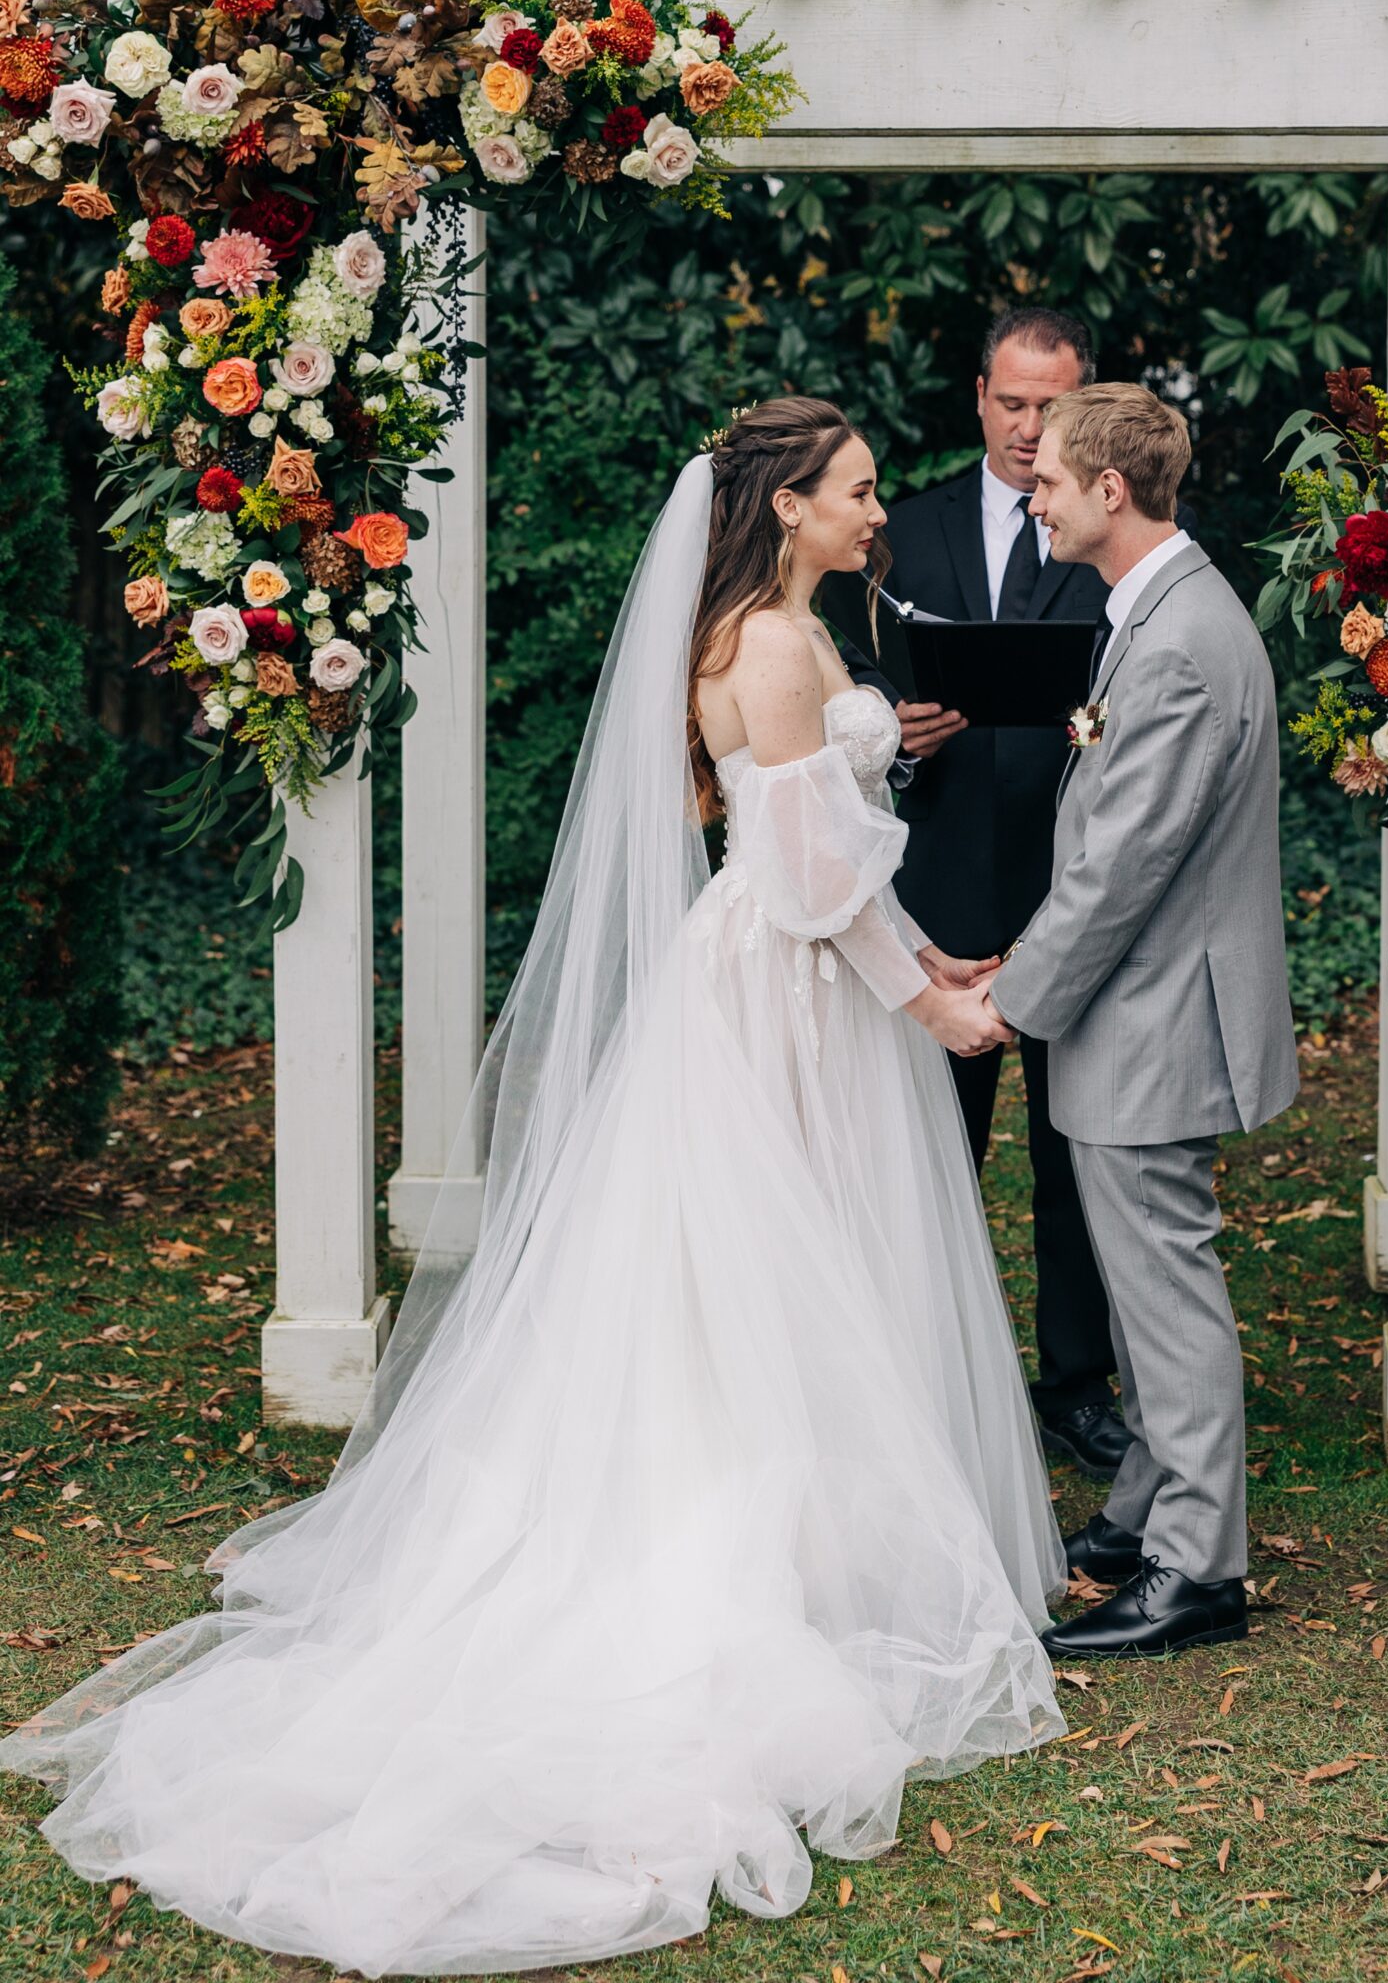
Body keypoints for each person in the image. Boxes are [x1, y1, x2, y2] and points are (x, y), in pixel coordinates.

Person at [0, 400, 1064, 1977]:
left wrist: (924, 956)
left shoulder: (771, 631)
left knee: (786, 1281)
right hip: (782, 1000)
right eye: (851, 498)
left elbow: (837, 869)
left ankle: (826, 1549)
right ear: (784, 510)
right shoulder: (771, 652)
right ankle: (770, 1567)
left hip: (802, 976)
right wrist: (939, 1008)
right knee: (779, 1279)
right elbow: (802, 882)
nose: (873, 520)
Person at [832, 308, 1192, 1482]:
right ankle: (924, 1375)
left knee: (1071, 1152)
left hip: (1071, 886)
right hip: (932, 885)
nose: (1028, 429)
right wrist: (898, 734)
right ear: (976, 393)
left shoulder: (1107, 523)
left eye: (1050, 405)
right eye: (1010, 402)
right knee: (925, 1152)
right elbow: (851, 682)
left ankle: (1074, 1383)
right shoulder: (904, 525)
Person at [977, 382, 1298, 1661]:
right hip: (1148, 1004)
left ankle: (1193, 1569)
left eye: (1047, 478)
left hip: (1156, 1013)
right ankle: (1141, 1511)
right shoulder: (1157, 609)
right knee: (1142, 1286)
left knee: (1164, 1297)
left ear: (1112, 489)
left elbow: (1121, 863)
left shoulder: (1172, 641)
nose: (1032, 493)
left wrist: (1008, 1001)